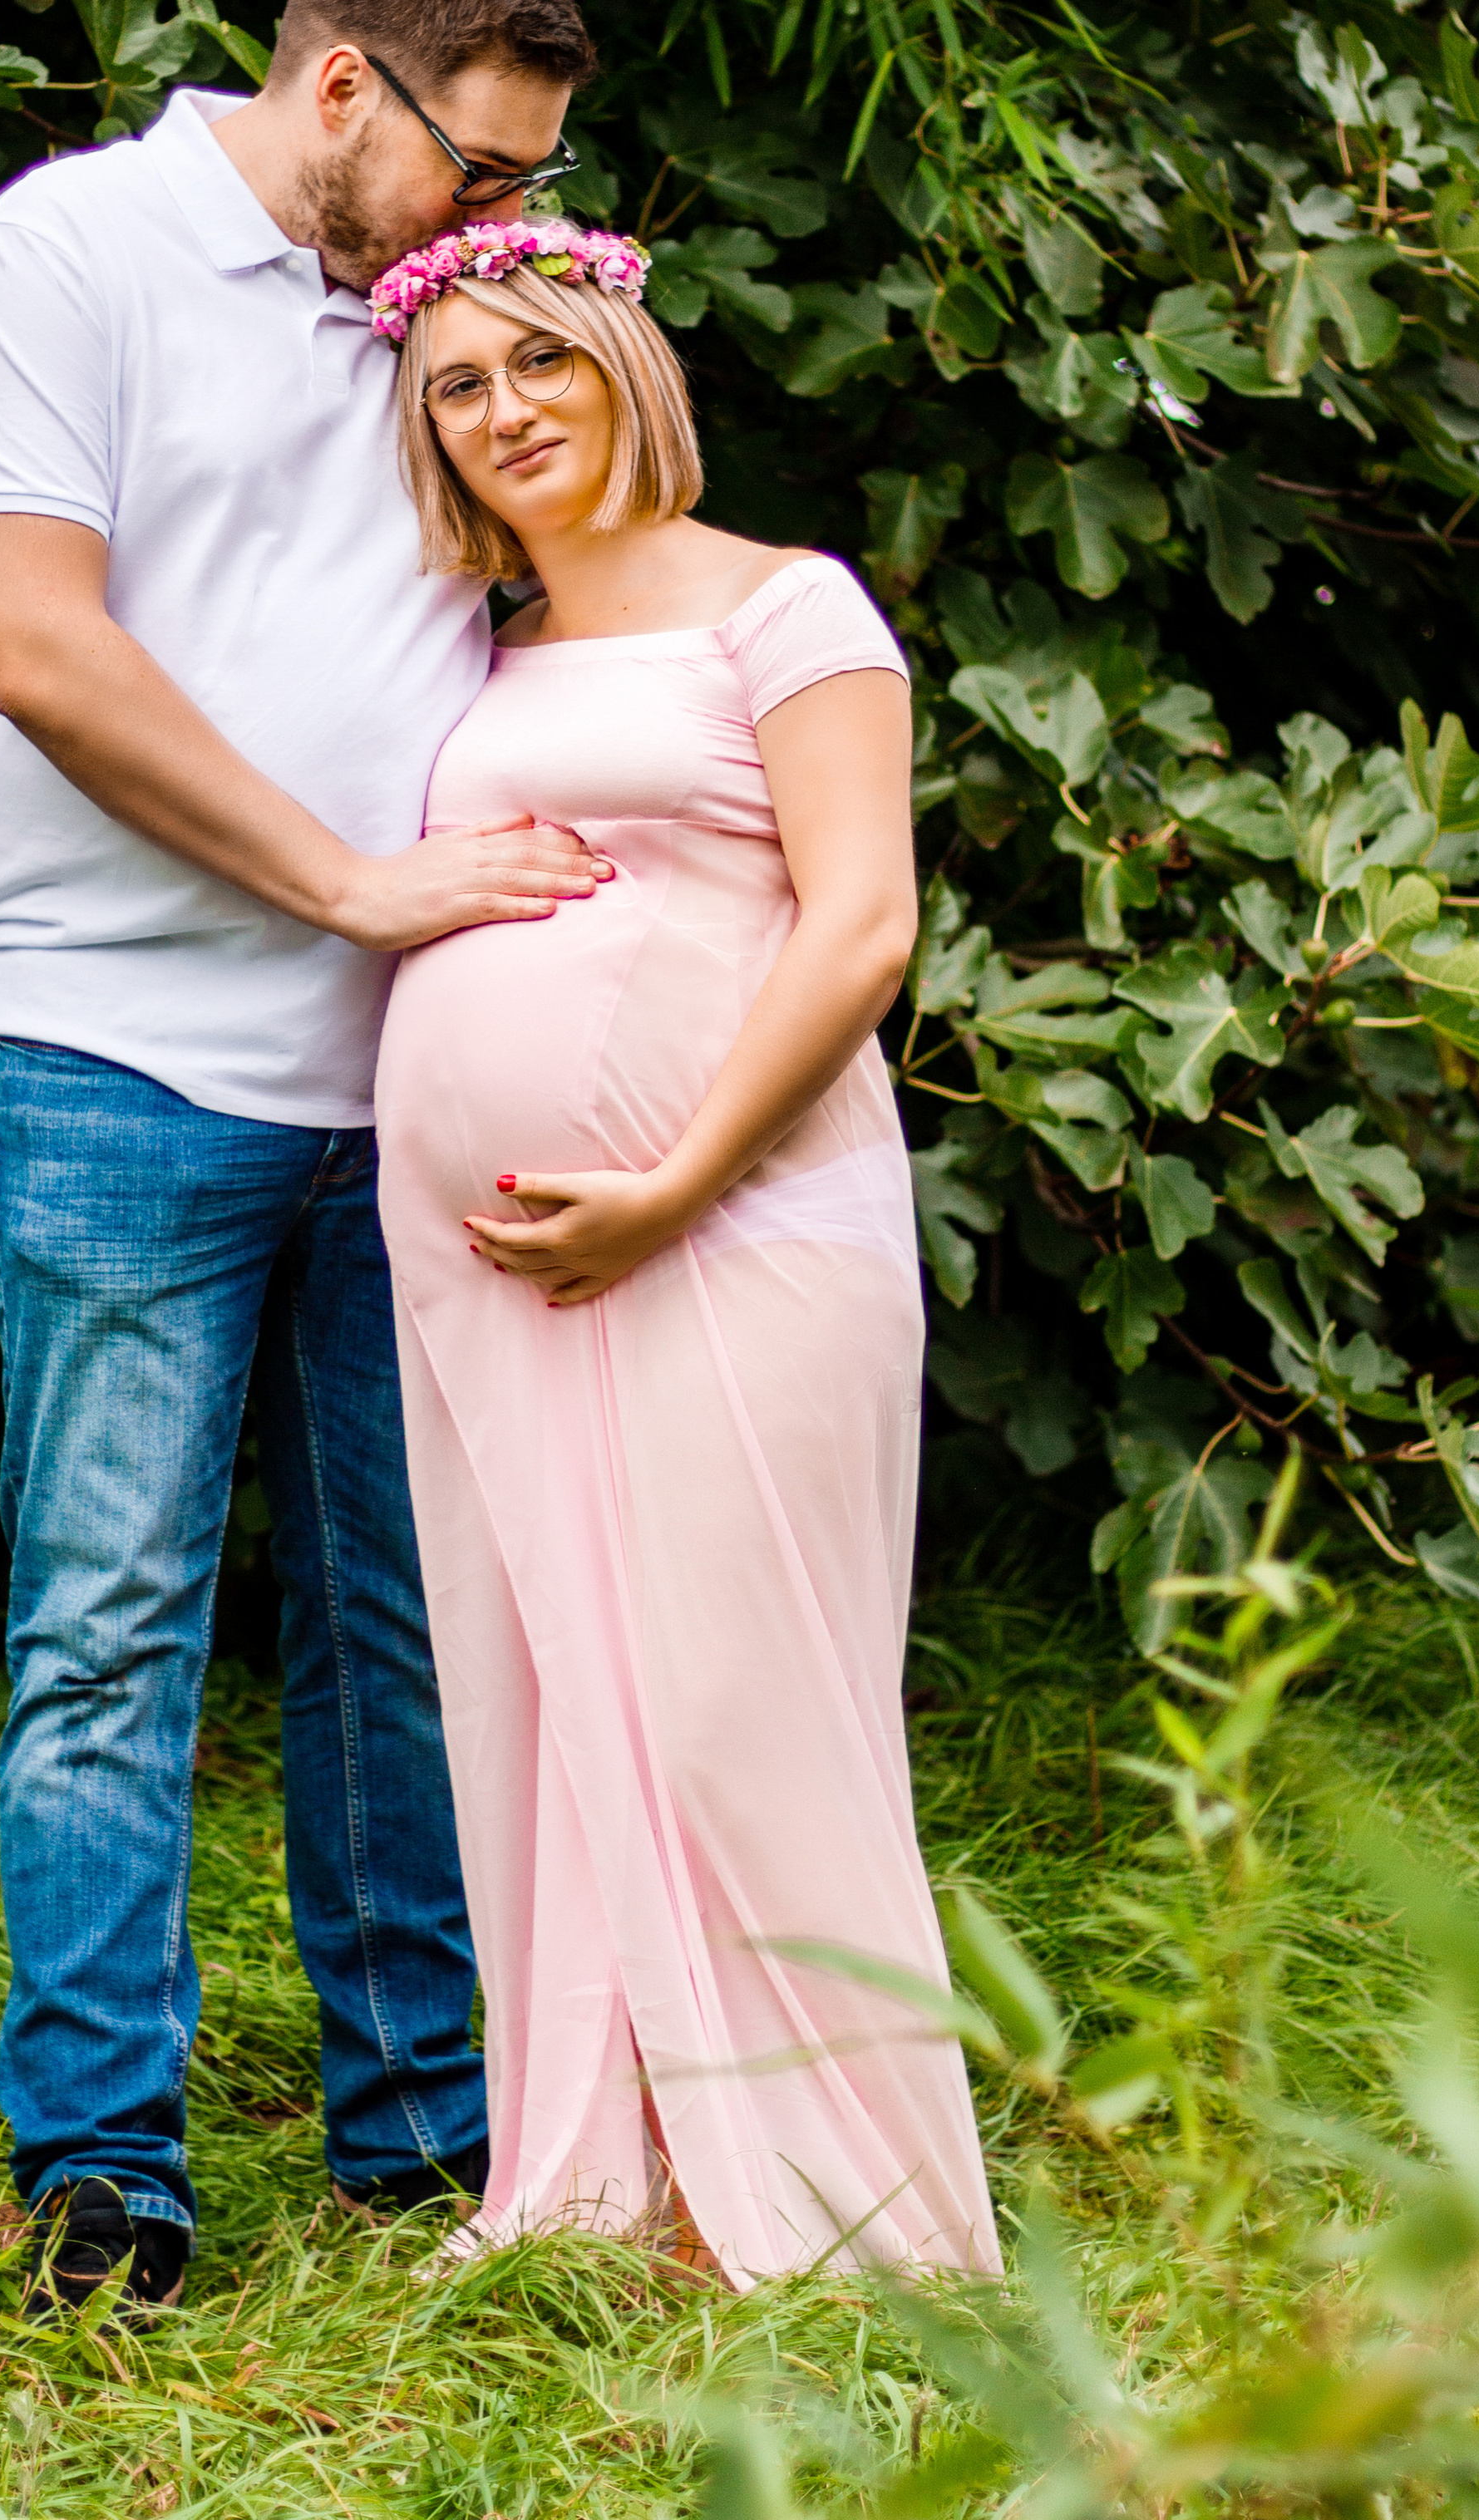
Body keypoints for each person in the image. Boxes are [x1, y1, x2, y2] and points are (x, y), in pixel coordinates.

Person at [0, 0, 612, 2316]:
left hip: (404, 1081)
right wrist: (345, 879)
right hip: (118, 1056)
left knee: (397, 1627)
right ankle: (103, 2175)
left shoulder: (447, 311)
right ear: (342, 86)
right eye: (476, 167)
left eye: (531, 186)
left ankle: (421, 2129)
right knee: (110, 1630)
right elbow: (41, 649)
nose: (495, 218)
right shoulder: (72, 251)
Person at [369, 219, 999, 2286]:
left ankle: (832, 2202)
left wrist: (670, 1176)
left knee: (736, 1696)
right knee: (548, 1688)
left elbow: (861, 926)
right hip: (502, 1273)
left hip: (742, 1227)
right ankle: (613, 2179)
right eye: (456, 390)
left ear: (621, 366)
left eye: (535, 364)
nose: (502, 414)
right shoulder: (477, 652)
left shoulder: (785, 611)